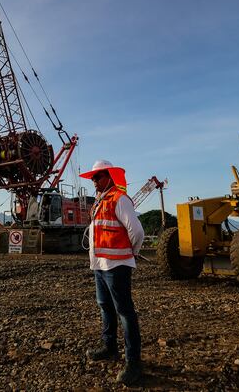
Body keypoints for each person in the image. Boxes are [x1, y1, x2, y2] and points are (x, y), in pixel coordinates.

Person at [80, 159, 145, 386]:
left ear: (108, 176)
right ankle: (110, 347)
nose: (94, 181)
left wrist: (131, 255)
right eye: (93, 178)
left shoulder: (119, 198)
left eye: (97, 177)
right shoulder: (99, 202)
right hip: (100, 266)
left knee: (125, 312)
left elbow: (137, 231)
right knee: (105, 306)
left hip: (117, 266)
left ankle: (134, 362)